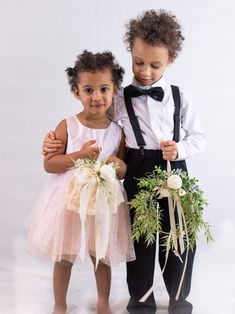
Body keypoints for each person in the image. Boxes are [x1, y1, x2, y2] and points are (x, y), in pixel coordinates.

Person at [42, 9, 206, 314]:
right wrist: (54, 143)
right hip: (136, 168)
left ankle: (179, 301)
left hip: (174, 172)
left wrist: (180, 149)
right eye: (138, 62)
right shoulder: (118, 97)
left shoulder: (180, 96)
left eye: (155, 65)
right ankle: (141, 302)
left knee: (178, 237)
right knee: (141, 240)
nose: (145, 71)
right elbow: (94, 120)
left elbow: (200, 137)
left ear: (170, 60)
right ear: (131, 53)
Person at [26, 50, 135, 314]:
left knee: (102, 255)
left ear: (114, 90)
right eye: (88, 90)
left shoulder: (118, 131)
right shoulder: (68, 126)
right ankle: (60, 304)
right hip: (69, 202)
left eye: (104, 89)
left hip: (103, 203)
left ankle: (103, 303)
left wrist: (118, 165)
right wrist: (78, 156)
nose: (97, 97)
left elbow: (122, 169)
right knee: (64, 256)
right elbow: (50, 164)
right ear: (77, 92)